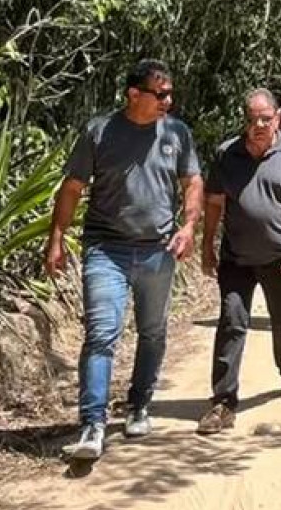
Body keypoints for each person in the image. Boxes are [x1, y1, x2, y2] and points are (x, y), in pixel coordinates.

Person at [44, 59, 201, 460]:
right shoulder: (100, 132)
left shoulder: (177, 132)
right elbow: (73, 186)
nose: (169, 100)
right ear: (134, 94)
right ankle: (92, 424)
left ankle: (139, 404)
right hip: (106, 249)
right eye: (160, 93)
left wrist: (189, 226)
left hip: (158, 250)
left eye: (170, 93)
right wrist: (57, 238)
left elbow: (192, 181)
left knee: (152, 332)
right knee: (101, 334)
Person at [198, 89, 281, 433]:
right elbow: (213, 203)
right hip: (236, 258)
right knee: (231, 323)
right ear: (244, 119)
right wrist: (207, 244)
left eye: (265, 119)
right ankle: (223, 402)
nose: (258, 125)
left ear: (277, 118)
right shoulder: (227, 154)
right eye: (252, 119)